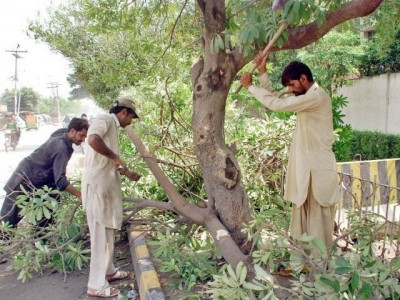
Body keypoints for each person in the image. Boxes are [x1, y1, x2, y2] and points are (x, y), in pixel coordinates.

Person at [240, 53, 340, 255]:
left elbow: (277, 105)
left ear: (304, 79)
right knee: (302, 215)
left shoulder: (316, 96)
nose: (291, 90)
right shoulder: (303, 95)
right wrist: (262, 71)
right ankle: (303, 262)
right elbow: (277, 97)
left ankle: (321, 268)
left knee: (318, 219)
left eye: (293, 85)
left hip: (317, 168)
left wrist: (249, 87)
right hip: (307, 167)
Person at [82, 97, 141, 298]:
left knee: (107, 233)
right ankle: (96, 285)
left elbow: (108, 162)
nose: (131, 121)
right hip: (97, 189)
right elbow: (92, 139)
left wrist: (126, 172)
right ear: (124, 112)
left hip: (105, 189)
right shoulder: (104, 119)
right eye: (132, 116)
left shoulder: (113, 128)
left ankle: (109, 271)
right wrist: (115, 157)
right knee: (100, 236)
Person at [1, 118, 89, 227]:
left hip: (40, 182)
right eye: (81, 135)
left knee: (46, 222)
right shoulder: (61, 148)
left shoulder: (62, 133)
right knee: (7, 223)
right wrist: (81, 196)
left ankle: (42, 242)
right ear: (72, 131)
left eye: (85, 136)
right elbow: (61, 181)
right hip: (23, 180)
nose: (83, 139)